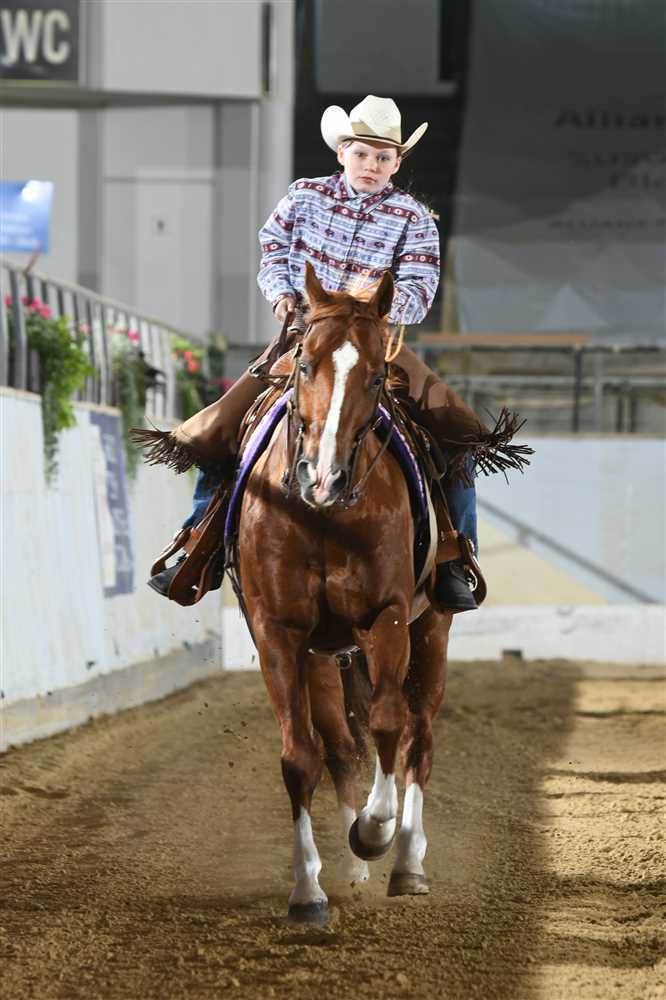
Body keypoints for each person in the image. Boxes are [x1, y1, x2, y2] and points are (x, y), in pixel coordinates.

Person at [139, 96, 525, 611]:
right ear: (343, 153)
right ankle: (198, 542)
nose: (371, 165)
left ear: (397, 163)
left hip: (374, 344)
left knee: (457, 432)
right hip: (306, 338)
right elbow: (273, 249)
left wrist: (369, 309)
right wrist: (281, 293)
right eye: (362, 154)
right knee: (221, 428)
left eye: (383, 157)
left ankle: (455, 554)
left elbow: (419, 288)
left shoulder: (414, 218)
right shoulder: (304, 196)